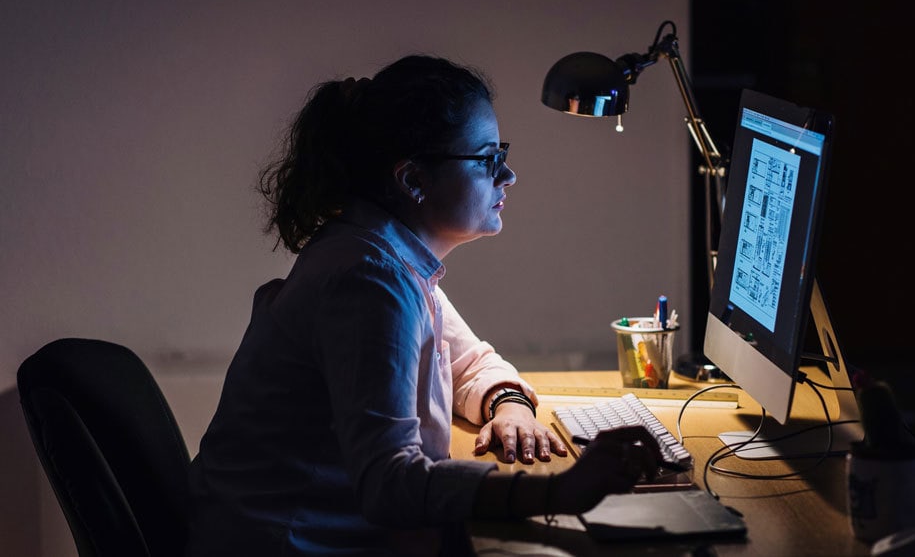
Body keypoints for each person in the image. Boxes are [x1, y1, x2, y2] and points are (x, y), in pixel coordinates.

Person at [185, 54, 662, 557]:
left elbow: (467, 361)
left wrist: (510, 405)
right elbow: (390, 485)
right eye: (485, 160)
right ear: (412, 179)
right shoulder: (368, 281)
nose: (508, 175)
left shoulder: (384, 255)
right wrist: (557, 492)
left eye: (501, 153)